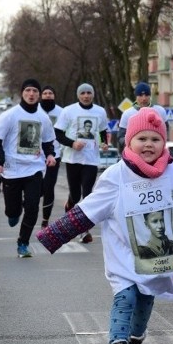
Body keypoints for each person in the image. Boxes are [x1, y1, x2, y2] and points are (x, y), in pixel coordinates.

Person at [37, 108, 173, 344]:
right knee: (126, 296)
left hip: (156, 257)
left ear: (164, 143)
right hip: (123, 256)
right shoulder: (116, 176)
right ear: (129, 142)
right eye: (142, 139)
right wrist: (54, 235)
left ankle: (135, 341)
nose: (148, 144)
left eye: (155, 139)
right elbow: (88, 210)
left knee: (145, 298)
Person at [0, 78, 57, 258]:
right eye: (28, 90)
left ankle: (23, 243)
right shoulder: (10, 115)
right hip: (11, 169)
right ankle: (13, 212)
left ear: (38, 94)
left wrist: (50, 155)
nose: (31, 94)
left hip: (34, 169)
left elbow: (48, 142)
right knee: (12, 211)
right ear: (22, 93)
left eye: (35, 91)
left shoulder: (43, 117)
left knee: (33, 206)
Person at [53, 83, 110, 243]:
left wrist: (104, 143)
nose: (86, 96)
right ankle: (69, 206)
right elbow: (58, 133)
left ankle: (84, 230)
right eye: (83, 93)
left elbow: (103, 131)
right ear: (78, 95)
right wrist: (72, 143)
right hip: (73, 159)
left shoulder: (100, 111)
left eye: (89, 93)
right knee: (76, 194)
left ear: (93, 94)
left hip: (91, 159)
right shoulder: (69, 111)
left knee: (87, 194)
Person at [117, 81, 168, 152]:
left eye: (146, 95)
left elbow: (165, 133)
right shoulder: (127, 113)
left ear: (150, 96)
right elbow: (120, 137)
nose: (144, 98)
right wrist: (103, 142)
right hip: (134, 152)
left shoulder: (160, 111)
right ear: (136, 96)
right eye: (140, 95)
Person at [39, 85, 63, 228]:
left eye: (50, 93)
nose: (48, 95)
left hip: (55, 154)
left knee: (49, 187)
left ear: (54, 96)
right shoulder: (35, 110)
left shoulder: (61, 112)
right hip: (36, 155)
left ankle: (45, 220)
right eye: (45, 93)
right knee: (37, 187)